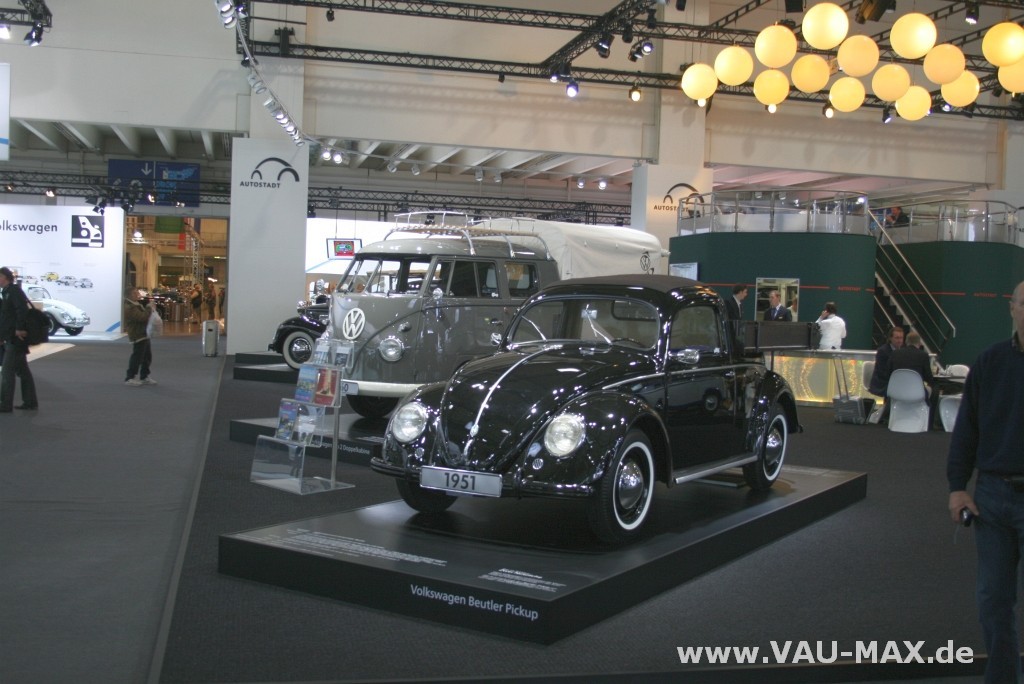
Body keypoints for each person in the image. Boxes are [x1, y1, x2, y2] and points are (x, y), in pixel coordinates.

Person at [947, 280, 1024, 684]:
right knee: (993, 599)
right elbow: (967, 430)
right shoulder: (991, 362)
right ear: (1012, 308)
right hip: (992, 497)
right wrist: (957, 486)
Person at [0, 266, 39, 412]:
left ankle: (5, 404)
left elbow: (21, 310)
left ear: (5, 277)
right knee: (22, 371)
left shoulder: (13, 291)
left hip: (16, 338)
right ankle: (30, 401)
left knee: (7, 372)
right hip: (11, 337)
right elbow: (7, 317)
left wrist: (19, 328)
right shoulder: (7, 292)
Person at [123, 286, 157, 386]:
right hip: (137, 334)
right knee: (137, 356)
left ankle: (144, 376)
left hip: (143, 333)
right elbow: (142, 317)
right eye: (135, 293)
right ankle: (130, 377)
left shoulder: (135, 304)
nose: (138, 294)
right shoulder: (129, 307)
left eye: (137, 292)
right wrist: (149, 308)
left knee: (146, 356)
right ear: (129, 295)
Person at [869, 325, 905, 396]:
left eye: (901, 338)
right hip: (882, 384)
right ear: (890, 338)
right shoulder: (883, 351)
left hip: (896, 382)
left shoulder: (903, 351)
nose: (900, 341)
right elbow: (882, 372)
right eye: (897, 338)